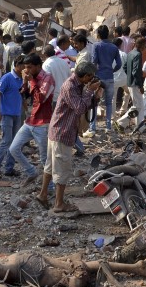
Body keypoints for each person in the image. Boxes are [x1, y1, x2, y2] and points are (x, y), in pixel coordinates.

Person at [36, 61, 99, 214]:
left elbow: (85, 106)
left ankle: (43, 194)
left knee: (51, 166)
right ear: (85, 76)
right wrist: (90, 91)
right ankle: (59, 204)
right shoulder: (70, 86)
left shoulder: (77, 85)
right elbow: (79, 108)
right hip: (63, 132)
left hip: (59, 130)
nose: (90, 80)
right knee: (62, 169)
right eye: (90, 77)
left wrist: (94, 96)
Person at [10, 54, 55, 186]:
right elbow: (24, 95)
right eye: (25, 67)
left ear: (38, 66)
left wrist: (32, 81)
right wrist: (25, 82)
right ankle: (31, 172)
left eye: (29, 67)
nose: (27, 70)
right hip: (31, 120)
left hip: (43, 123)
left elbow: (41, 98)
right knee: (14, 149)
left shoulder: (48, 78)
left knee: (44, 158)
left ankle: (50, 187)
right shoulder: (31, 78)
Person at [83, 25, 121, 136]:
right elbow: (119, 64)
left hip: (98, 78)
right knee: (109, 103)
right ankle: (108, 126)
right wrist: (112, 70)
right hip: (109, 78)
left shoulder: (96, 46)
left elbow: (94, 61)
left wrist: (91, 75)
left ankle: (93, 127)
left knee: (94, 103)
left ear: (98, 35)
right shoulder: (114, 47)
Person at [0, 55, 25, 177]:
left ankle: (9, 168)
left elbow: (22, 95)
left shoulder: (22, 79)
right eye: (23, 66)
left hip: (17, 114)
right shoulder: (7, 78)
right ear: (17, 65)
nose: (25, 69)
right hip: (6, 114)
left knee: (15, 142)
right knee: (6, 141)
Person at [122, 37, 146, 129]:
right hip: (135, 83)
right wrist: (140, 85)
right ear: (140, 45)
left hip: (130, 82)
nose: (145, 47)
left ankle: (140, 127)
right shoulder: (137, 54)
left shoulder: (130, 53)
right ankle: (121, 122)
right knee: (138, 106)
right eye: (144, 45)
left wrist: (130, 77)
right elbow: (135, 71)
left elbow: (125, 67)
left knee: (138, 105)